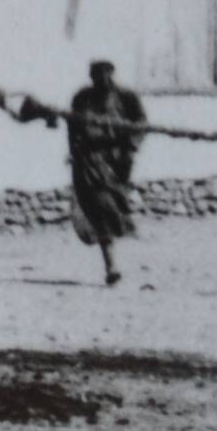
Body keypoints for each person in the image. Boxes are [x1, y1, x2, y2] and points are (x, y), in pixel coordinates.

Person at [66, 58, 146, 287]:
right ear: (91, 77)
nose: (102, 79)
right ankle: (111, 267)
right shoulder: (82, 98)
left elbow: (141, 123)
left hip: (116, 161)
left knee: (114, 207)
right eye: (96, 75)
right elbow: (72, 126)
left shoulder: (126, 97)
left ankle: (120, 226)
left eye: (106, 74)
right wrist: (74, 152)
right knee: (100, 208)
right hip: (89, 161)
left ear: (112, 74)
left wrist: (131, 148)